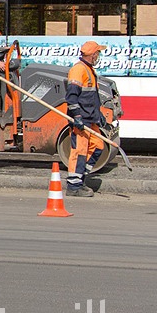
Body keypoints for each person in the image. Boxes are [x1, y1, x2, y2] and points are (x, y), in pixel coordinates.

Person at [64, 40, 108, 197]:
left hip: (90, 118)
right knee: (79, 152)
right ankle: (73, 186)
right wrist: (77, 116)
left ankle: (80, 177)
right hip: (81, 120)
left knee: (98, 147)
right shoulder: (78, 70)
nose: (99, 56)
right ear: (93, 54)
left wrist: (99, 115)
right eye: (98, 53)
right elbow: (72, 96)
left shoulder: (88, 70)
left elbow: (90, 97)